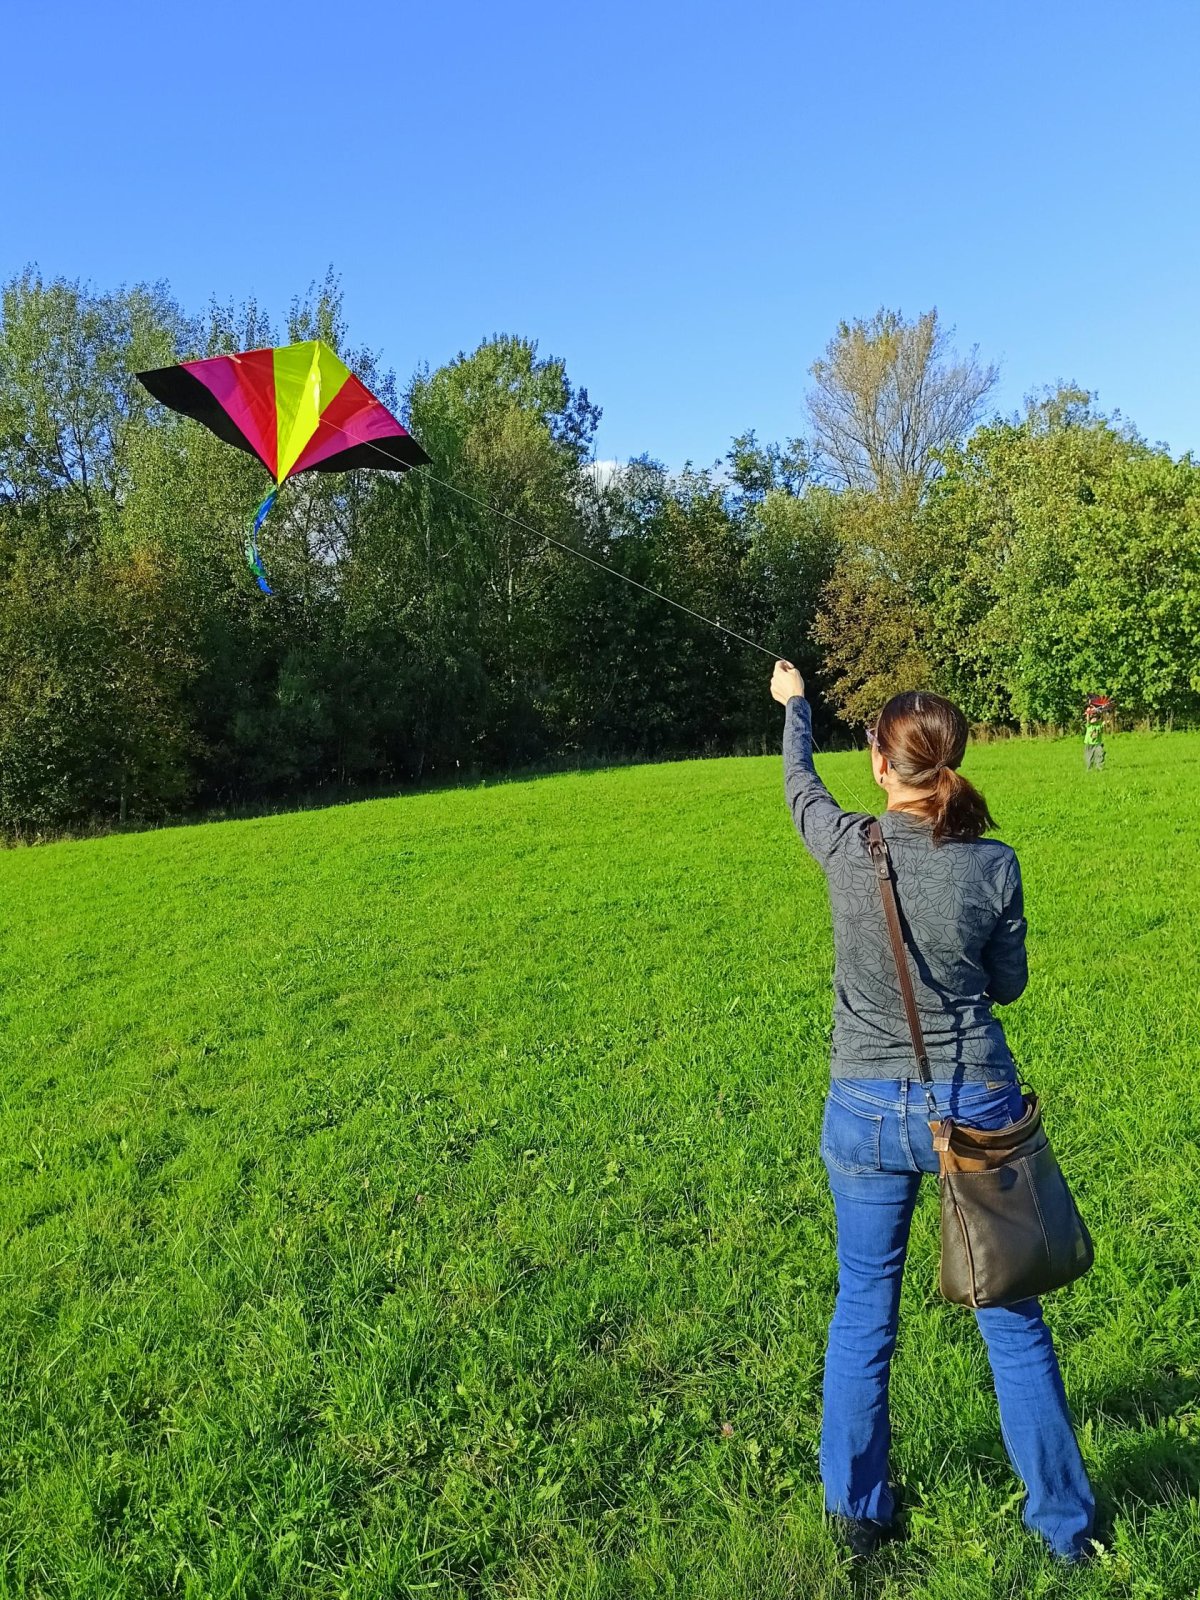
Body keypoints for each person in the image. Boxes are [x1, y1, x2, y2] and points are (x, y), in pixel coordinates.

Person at [770, 661, 1095, 1564]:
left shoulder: (844, 844)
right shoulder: (994, 864)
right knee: (1013, 1320)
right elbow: (1008, 985)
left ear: (880, 763)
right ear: (952, 760)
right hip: (976, 1102)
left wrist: (796, 708)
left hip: (863, 1109)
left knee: (863, 1310)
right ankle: (1065, 1532)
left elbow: (798, 786)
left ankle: (856, 1516)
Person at [1084, 702, 1106, 769]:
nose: (1094, 719)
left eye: (1095, 718)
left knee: (1100, 755)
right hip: (1089, 744)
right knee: (1089, 758)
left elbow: (1101, 718)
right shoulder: (1089, 725)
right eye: (1092, 718)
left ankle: (1099, 768)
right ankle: (1089, 768)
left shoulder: (1099, 724)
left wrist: (1101, 708)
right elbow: (1088, 719)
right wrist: (1088, 713)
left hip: (1098, 743)